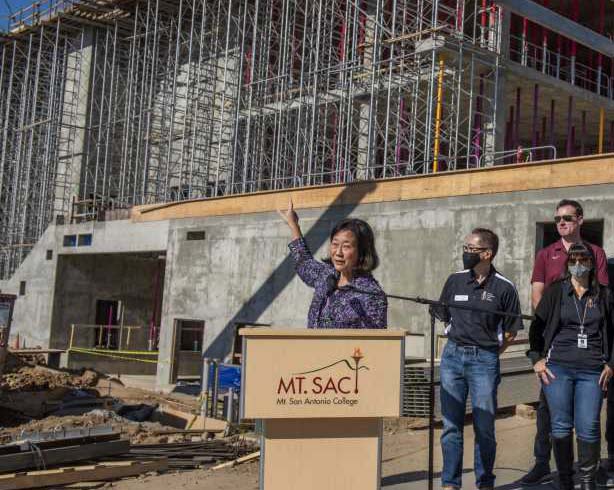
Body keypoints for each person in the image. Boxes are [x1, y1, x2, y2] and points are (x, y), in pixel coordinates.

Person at [522, 199, 609, 486]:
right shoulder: (547, 255)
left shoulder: (596, 255)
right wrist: (541, 351)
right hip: (557, 355)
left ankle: (587, 478)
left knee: (588, 425)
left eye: (567, 217)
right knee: (553, 419)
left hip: (591, 364)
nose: (561, 222)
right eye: (557, 218)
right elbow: (538, 304)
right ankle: (550, 469)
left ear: (580, 219)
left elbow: (607, 313)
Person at [434, 228, 522, 490]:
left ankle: (484, 482)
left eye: (471, 249)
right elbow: (443, 314)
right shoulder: (455, 280)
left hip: (484, 360)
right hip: (452, 357)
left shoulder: (504, 287)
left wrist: (490, 354)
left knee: (484, 428)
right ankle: (451, 483)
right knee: (451, 426)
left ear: (487, 253)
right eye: (465, 247)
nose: (465, 253)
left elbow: (510, 331)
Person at [277, 198, 387, 328]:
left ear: (362, 252)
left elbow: (375, 343)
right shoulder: (327, 276)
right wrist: (293, 224)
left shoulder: (371, 294)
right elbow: (304, 263)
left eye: (346, 246)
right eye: (335, 244)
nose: (338, 252)